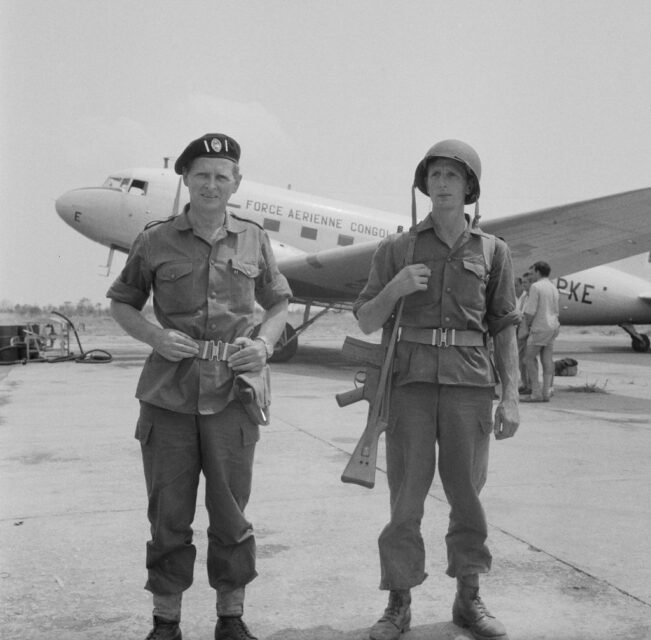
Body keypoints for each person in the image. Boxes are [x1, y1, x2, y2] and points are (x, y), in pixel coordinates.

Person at [107, 133, 292, 640]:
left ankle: (230, 620)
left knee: (231, 515)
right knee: (168, 515)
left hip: (233, 394)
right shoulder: (155, 239)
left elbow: (279, 305)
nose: (211, 184)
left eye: (221, 175)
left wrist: (265, 345)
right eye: (202, 174)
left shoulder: (254, 239)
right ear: (186, 179)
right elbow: (121, 302)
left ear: (237, 183)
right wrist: (153, 335)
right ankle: (165, 624)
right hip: (168, 395)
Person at [354, 139, 520, 640]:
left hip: (470, 383)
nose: (442, 183)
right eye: (435, 175)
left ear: (469, 188)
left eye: (453, 175)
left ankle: (469, 599)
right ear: (423, 185)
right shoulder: (397, 249)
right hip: (410, 385)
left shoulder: (493, 251)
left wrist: (511, 394)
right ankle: (398, 602)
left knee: (467, 495)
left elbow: (506, 326)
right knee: (406, 497)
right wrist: (395, 287)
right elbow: (365, 319)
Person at [521, 261, 560, 402]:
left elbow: (530, 311)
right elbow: (556, 309)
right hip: (552, 326)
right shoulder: (553, 287)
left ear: (538, 272)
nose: (531, 275)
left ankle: (536, 392)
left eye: (532, 272)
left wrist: (527, 325)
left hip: (539, 327)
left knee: (528, 359)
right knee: (547, 359)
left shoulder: (536, 287)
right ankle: (546, 391)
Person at [515, 272, 532, 394]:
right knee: (521, 360)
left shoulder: (528, 297)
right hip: (519, 331)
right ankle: (525, 383)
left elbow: (526, 315)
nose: (514, 288)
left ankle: (530, 385)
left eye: (516, 285)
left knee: (527, 359)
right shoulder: (521, 298)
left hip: (525, 331)